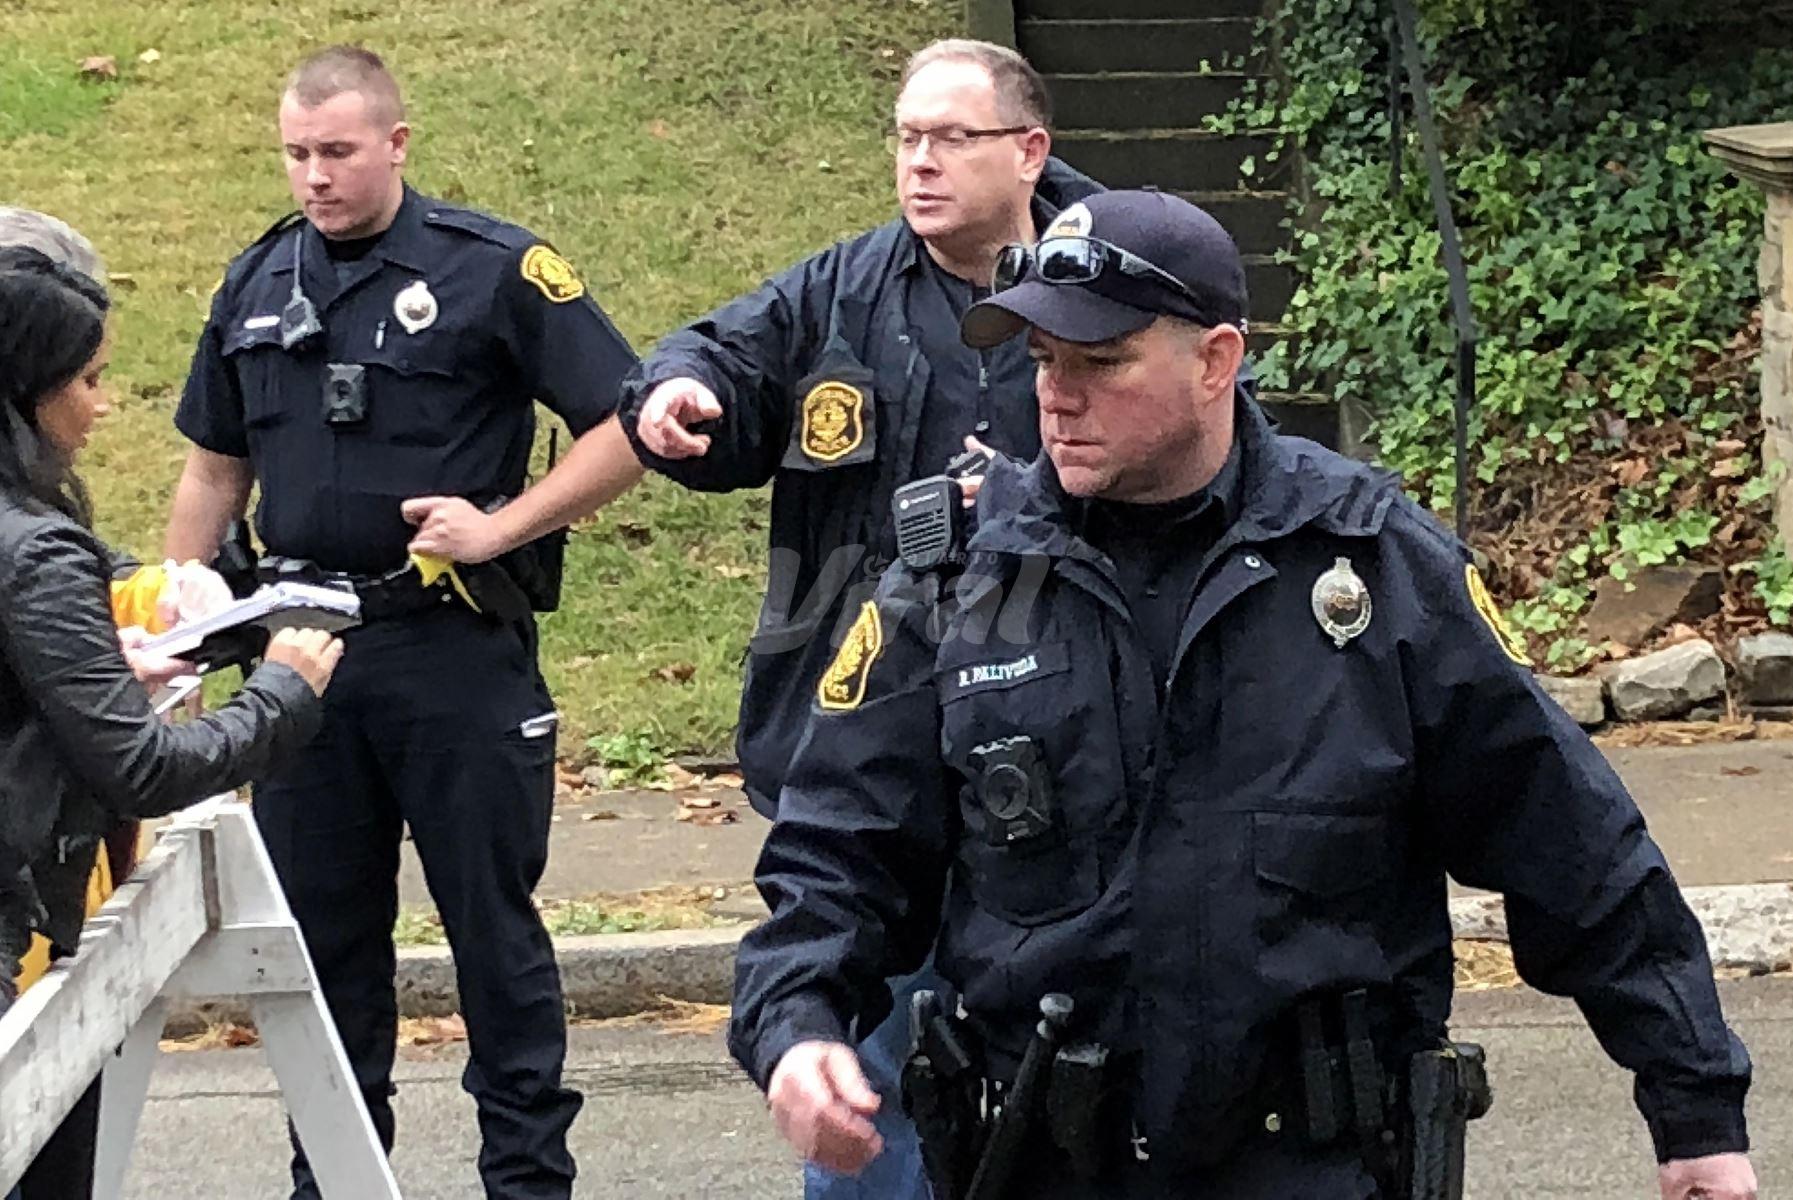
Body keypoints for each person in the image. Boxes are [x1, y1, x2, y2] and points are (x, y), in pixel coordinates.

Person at [728, 190, 1758, 1200]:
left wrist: (1697, 1113)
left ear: (1217, 360)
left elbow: (1574, 850)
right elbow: (840, 852)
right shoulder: (962, 581)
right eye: (1043, 360)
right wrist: (797, 1024)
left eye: (1101, 361)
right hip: (1042, 1159)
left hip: (1316, 1162)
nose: (1057, 396)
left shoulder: (1373, 568)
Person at [616, 37, 1097, 1198]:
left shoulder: (1113, 286)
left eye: (951, 138)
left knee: (1073, 1097)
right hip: (871, 754)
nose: (919, 160)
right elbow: (719, 354)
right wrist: (679, 393)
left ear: (1028, 150)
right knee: (870, 1092)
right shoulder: (838, 295)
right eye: (906, 137)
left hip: (1070, 753)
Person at [161, 46, 640, 1200]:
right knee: (323, 955)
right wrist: (179, 623)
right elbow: (214, 470)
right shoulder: (256, 281)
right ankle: (332, 1181)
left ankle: (528, 1182)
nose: (314, 176)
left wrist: (502, 526)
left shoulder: (495, 269)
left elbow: (625, 425)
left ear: (396, 143)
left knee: (494, 940)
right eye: (296, 154)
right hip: (302, 662)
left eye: (337, 151)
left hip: (451, 650)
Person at [0, 247, 342, 1200]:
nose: (102, 405)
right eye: (89, 380)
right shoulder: (35, 551)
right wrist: (282, 693)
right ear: (28, 392)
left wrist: (89, 664)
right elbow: (143, 769)